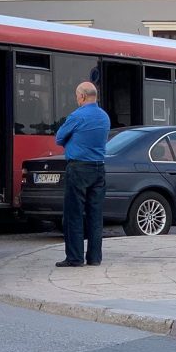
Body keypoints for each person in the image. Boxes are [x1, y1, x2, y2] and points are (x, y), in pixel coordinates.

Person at [54, 82, 110, 267]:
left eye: (77, 96)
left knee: (74, 214)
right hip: (98, 169)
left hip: (78, 168)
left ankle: (75, 258)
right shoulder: (104, 117)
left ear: (83, 97)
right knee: (95, 215)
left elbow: (59, 138)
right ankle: (94, 258)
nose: (76, 99)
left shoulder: (77, 116)